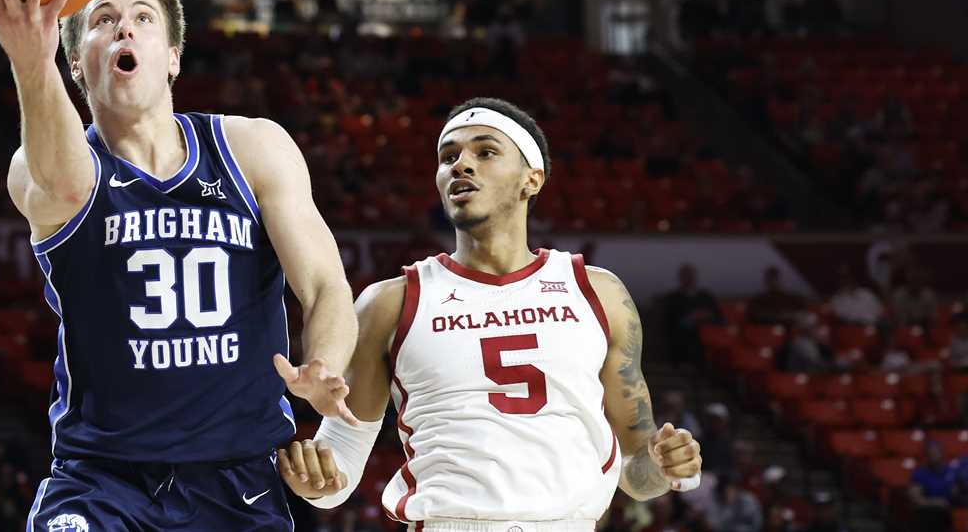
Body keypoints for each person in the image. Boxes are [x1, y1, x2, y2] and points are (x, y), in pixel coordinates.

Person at [0, 0, 358, 531]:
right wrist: (29, 61)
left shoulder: (252, 149)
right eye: (102, 19)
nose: (124, 26)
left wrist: (322, 363)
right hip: (103, 480)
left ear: (172, 58)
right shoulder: (39, 166)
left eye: (144, 17)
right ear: (75, 61)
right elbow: (68, 187)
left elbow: (324, 284)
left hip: (238, 480)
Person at [276, 98, 703, 529]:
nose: (461, 165)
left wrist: (667, 467)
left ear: (532, 179)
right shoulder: (390, 303)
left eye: (485, 152)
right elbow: (341, 466)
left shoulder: (599, 292)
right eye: (448, 157)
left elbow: (637, 473)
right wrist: (314, 479)